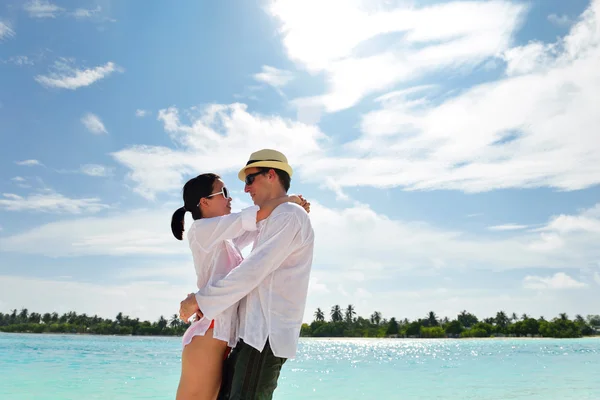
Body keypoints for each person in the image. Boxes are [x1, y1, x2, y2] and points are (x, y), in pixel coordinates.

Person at [179, 149, 315, 400]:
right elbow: (248, 226)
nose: (244, 190)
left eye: (249, 180)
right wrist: (290, 200)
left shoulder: (288, 216)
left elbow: (250, 272)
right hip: (248, 336)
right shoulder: (277, 217)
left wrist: (200, 300)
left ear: (271, 175)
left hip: (263, 336)